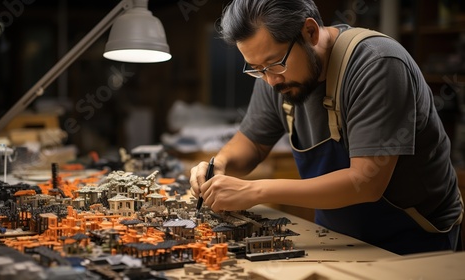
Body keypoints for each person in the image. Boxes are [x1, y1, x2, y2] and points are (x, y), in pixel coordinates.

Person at [189, 0, 463, 255]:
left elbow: (365, 182)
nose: (270, 81)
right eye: (257, 69)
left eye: (274, 64)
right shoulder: (273, 75)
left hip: (412, 242)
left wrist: (255, 191)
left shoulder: (377, 64)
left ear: (310, 32)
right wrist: (219, 164)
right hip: (336, 237)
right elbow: (252, 143)